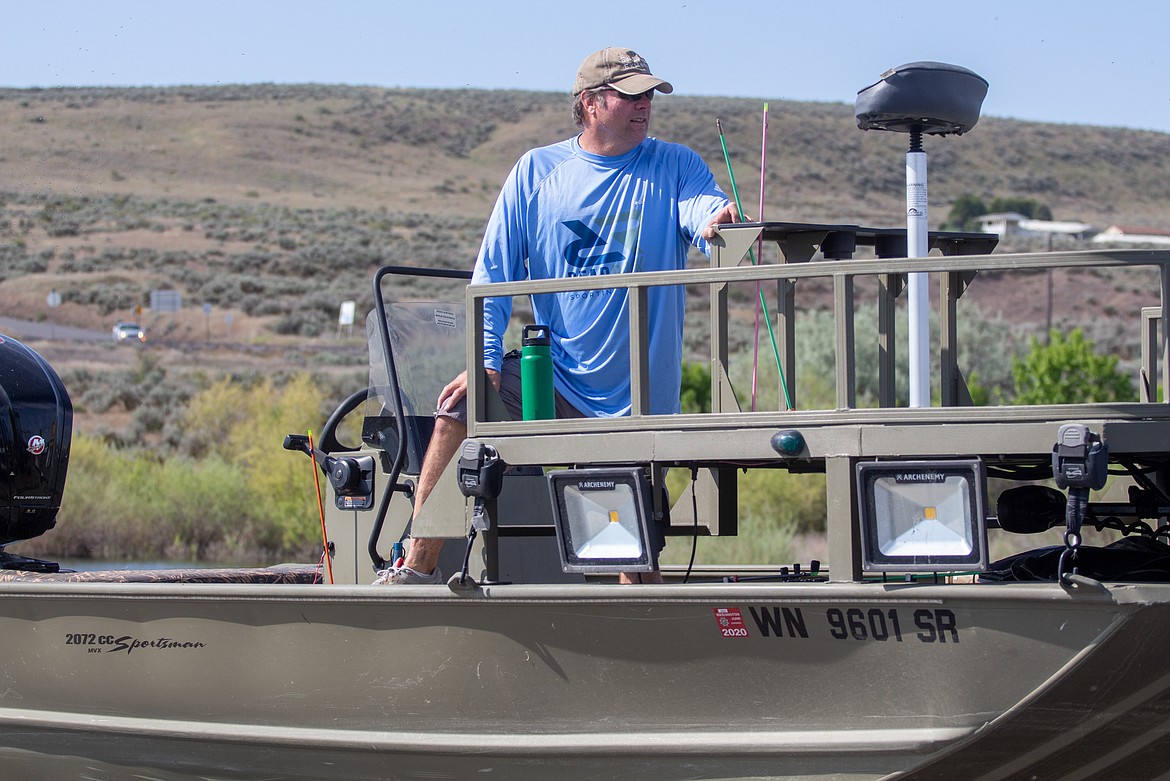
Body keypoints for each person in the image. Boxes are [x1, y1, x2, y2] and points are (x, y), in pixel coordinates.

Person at [374, 46, 738, 585]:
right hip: (554, 382)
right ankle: (416, 568)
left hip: (637, 407)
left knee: (630, 567)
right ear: (590, 103)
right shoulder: (536, 172)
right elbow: (493, 274)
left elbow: (704, 212)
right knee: (461, 405)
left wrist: (719, 222)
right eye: (631, 96)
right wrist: (485, 360)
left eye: (649, 95)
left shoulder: (676, 164)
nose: (645, 105)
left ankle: (641, 628)